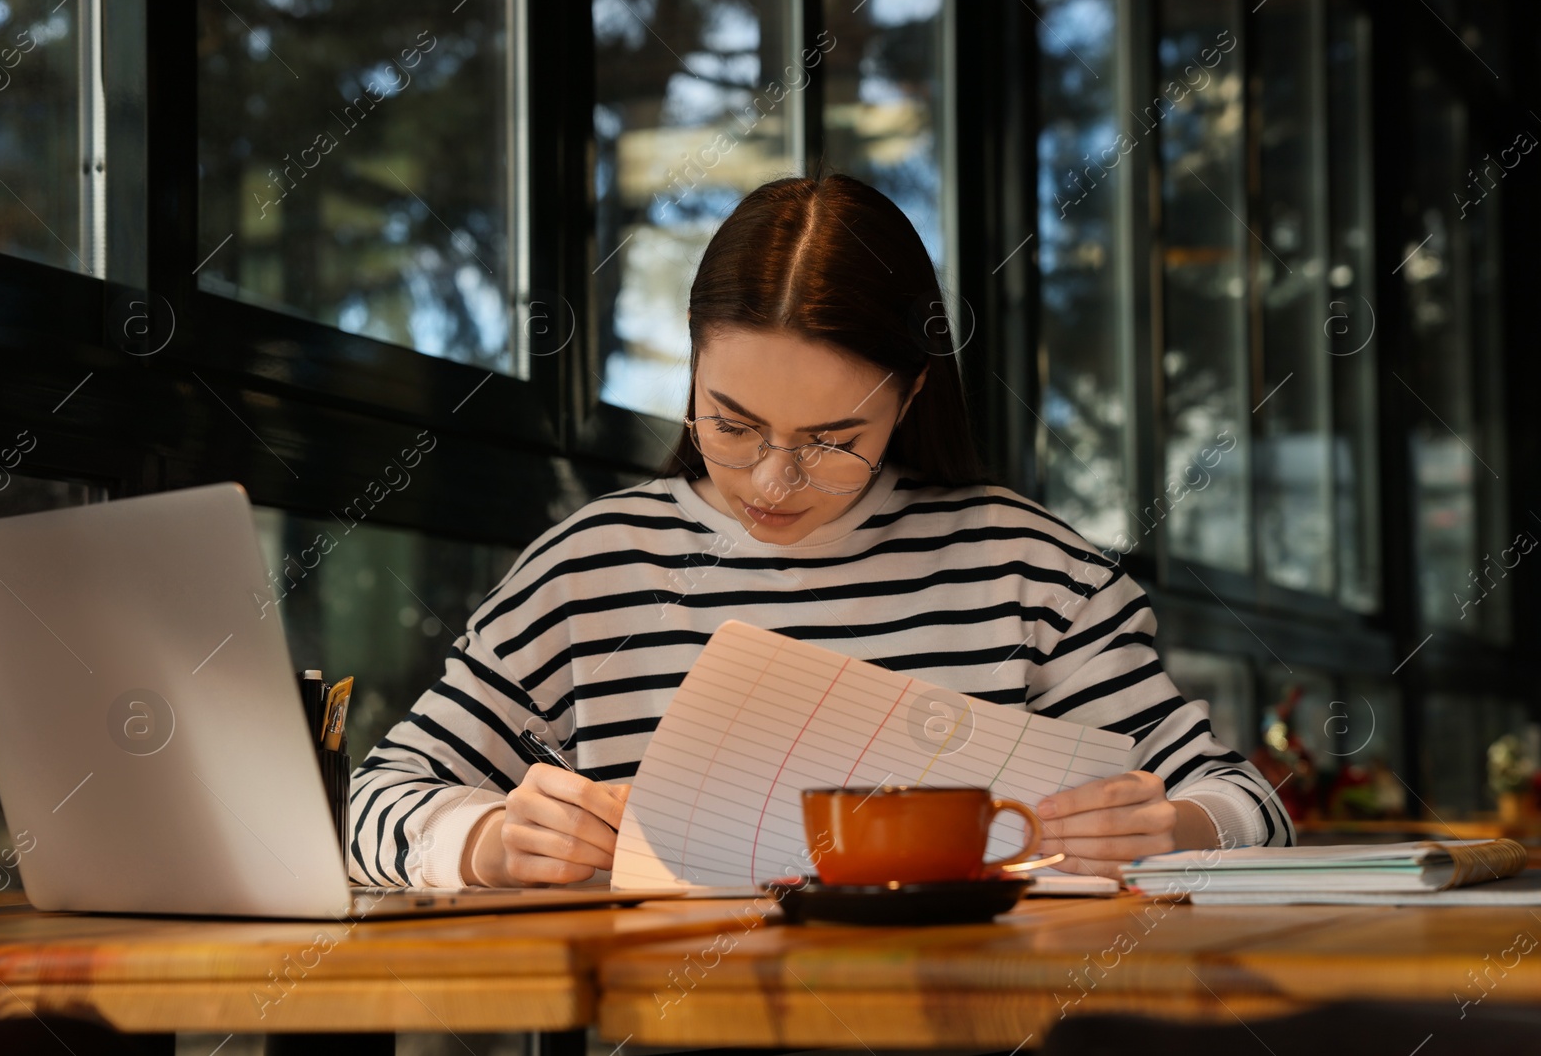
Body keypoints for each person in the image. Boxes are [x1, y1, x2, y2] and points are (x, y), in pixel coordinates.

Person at [347, 171, 1292, 889]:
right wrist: (483, 840)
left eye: (833, 439)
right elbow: (369, 801)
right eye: (731, 422)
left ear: (912, 396)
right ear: (690, 368)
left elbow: (1251, 805)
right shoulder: (591, 573)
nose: (773, 478)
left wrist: (1175, 829)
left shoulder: (1027, 572)